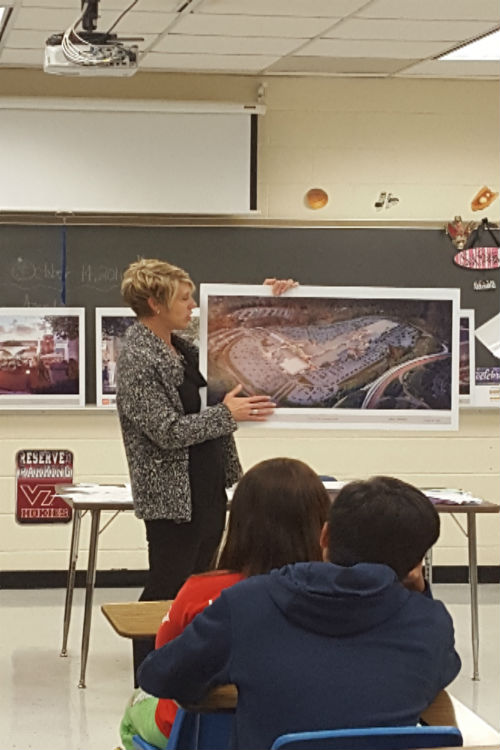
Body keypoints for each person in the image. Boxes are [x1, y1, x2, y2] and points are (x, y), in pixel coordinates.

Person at [138, 476, 461, 750]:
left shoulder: (248, 603)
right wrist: (418, 593)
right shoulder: (430, 623)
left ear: (325, 536)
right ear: (417, 564)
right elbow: (442, 669)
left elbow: (159, 676)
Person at [116, 259, 292, 675]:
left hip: (206, 483)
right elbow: (165, 430)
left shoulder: (182, 345)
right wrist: (227, 415)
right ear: (155, 303)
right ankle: (151, 674)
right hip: (172, 494)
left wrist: (269, 293)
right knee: (167, 587)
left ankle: (192, 665)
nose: (193, 304)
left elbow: (228, 321)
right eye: (184, 297)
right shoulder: (139, 357)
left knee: (201, 584)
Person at [119, 457, 330, 750]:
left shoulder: (202, 591)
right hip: (302, 730)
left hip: (198, 735)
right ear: (322, 525)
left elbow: (165, 656)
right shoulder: (335, 595)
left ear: (240, 522)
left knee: (136, 706)